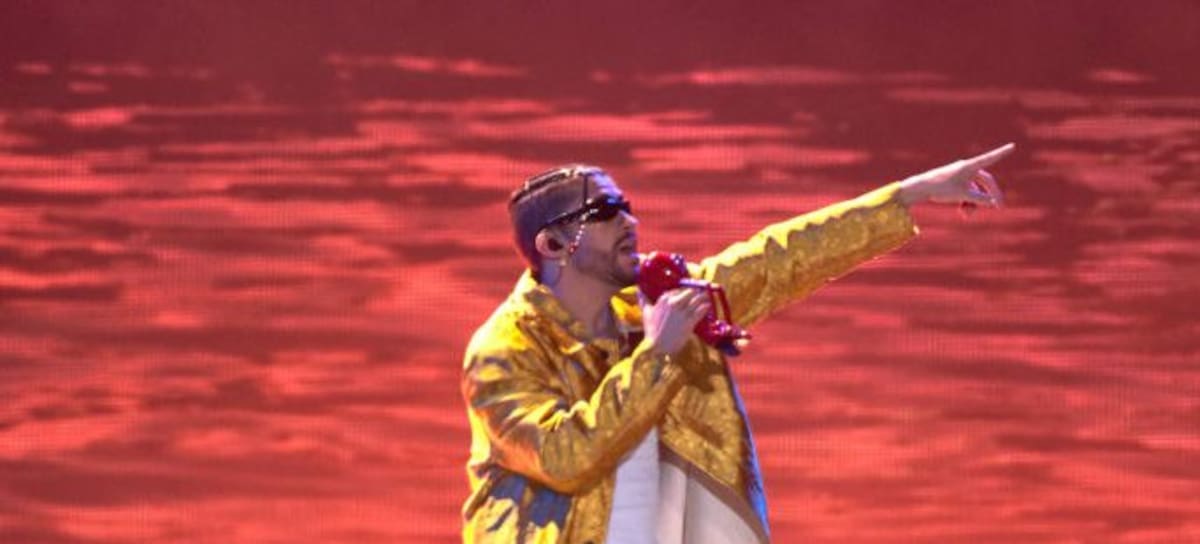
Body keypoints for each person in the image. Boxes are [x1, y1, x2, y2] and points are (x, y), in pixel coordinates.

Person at [460, 144, 1016, 543]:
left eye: (626, 204)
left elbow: (779, 259)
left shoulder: (660, 302)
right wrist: (657, 356)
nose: (630, 221)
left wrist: (909, 195)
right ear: (552, 243)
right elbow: (564, 457)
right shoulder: (503, 350)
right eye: (605, 213)